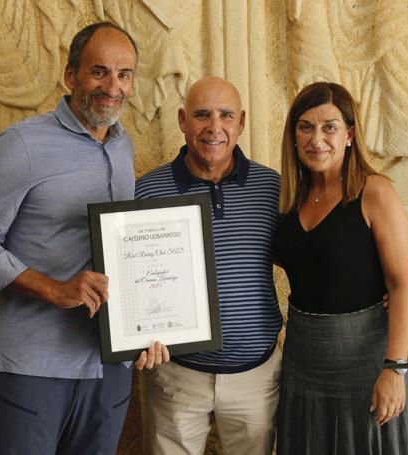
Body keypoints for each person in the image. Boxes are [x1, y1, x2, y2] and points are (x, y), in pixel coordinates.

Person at [0, 22, 167, 455]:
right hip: (35, 364)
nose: (113, 86)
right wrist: (54, 289)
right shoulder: (22, 145)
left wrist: (152, 323)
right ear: (71, 76)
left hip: (109, 366)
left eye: (124, 74)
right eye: (99, 72)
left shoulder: (123, 147)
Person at [274, 82, 408, 454]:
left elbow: (402, 284)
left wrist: (396, 369)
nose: (316, 139)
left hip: (368, 366)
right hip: (303, 364)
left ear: (349, 135)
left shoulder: (374, 192)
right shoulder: (288, 198)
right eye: (305, 126)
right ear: (293, 135)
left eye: (329, 127)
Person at [135, 77, 283, 455]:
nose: (214, 127)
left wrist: (364, 291)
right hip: (175, 374)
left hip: (257, 374)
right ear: (183, 120)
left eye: (226, 115)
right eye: (202, 115)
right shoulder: (146, 191)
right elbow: (130, 281)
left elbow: (311, 258)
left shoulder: (274, 189)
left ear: (242, 122)